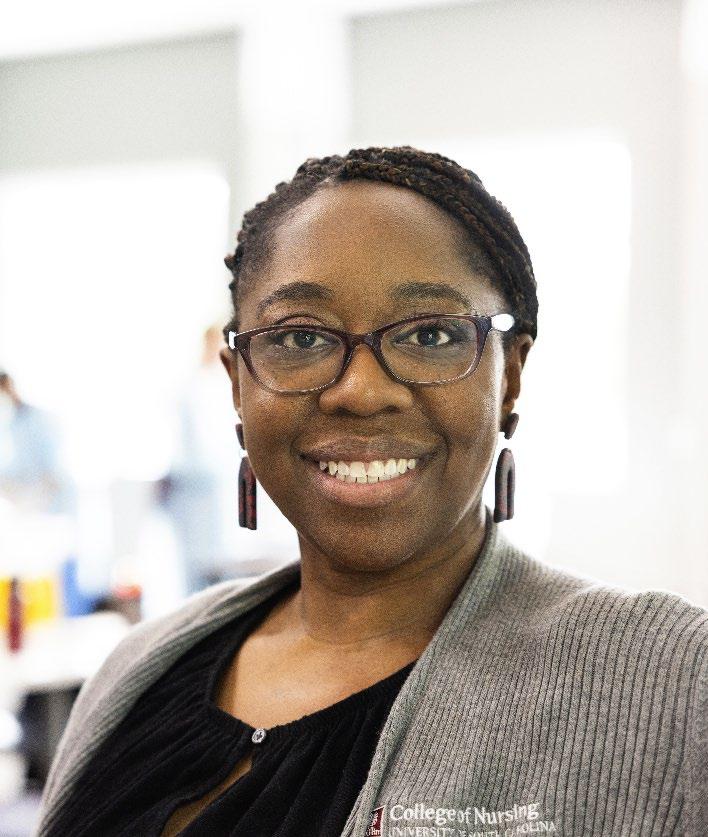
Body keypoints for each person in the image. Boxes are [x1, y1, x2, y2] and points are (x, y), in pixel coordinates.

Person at [35, 147, 707, 837]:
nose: (361, 391)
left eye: (430, 334)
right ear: (238, 384)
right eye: (301, 337)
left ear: (510, 376)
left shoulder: (675, 684)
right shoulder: (139, 669)